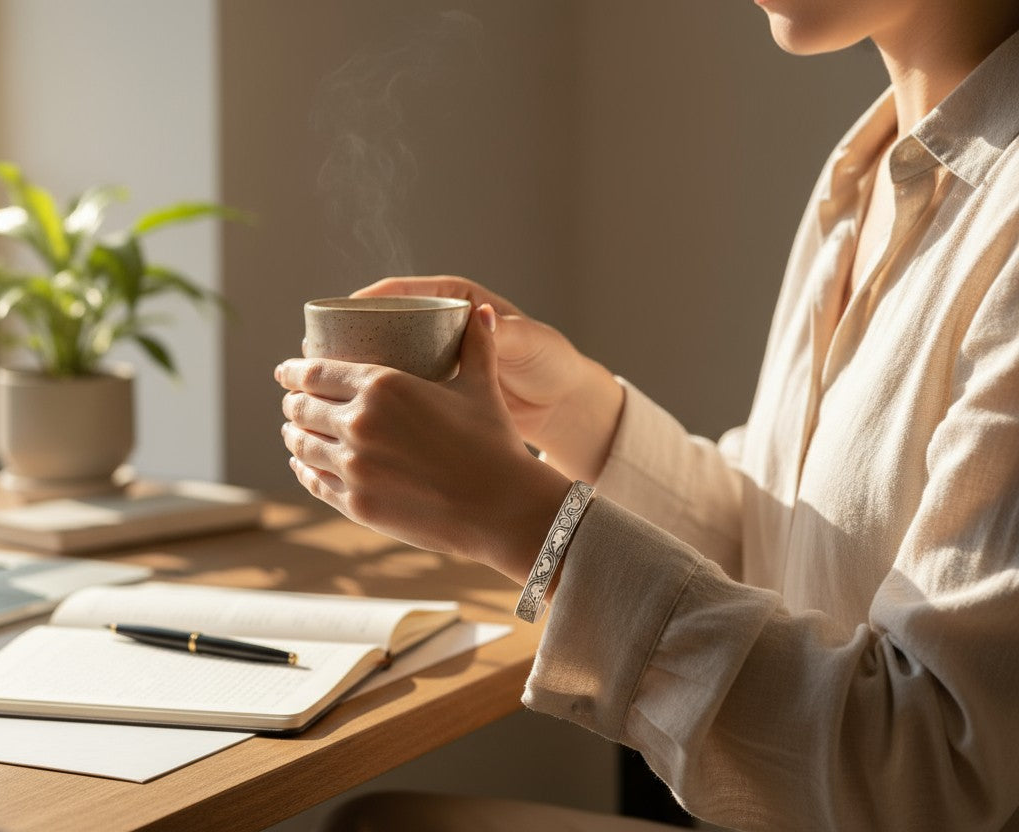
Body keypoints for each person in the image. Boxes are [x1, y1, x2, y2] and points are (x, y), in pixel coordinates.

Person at [275, 0, 1019, 828]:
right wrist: (574, 413)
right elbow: (791, 549)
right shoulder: (870, 166)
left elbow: (933, 773)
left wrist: (519, 521)